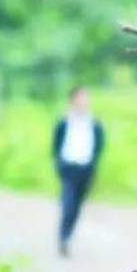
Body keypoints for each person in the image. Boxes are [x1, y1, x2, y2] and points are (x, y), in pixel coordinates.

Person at [53, 86, 105, 256]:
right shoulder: (64, 122)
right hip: (68, 167)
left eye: (86, 98)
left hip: (86, 169)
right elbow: (56, 144)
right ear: (73, 100)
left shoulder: (94, 123)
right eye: (81, 98)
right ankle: (63, 236)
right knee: (68, 202)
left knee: (77, 206)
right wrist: (59, 164)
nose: (85, 101)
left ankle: (68, 236)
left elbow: (99, 146)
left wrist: (93, 165)